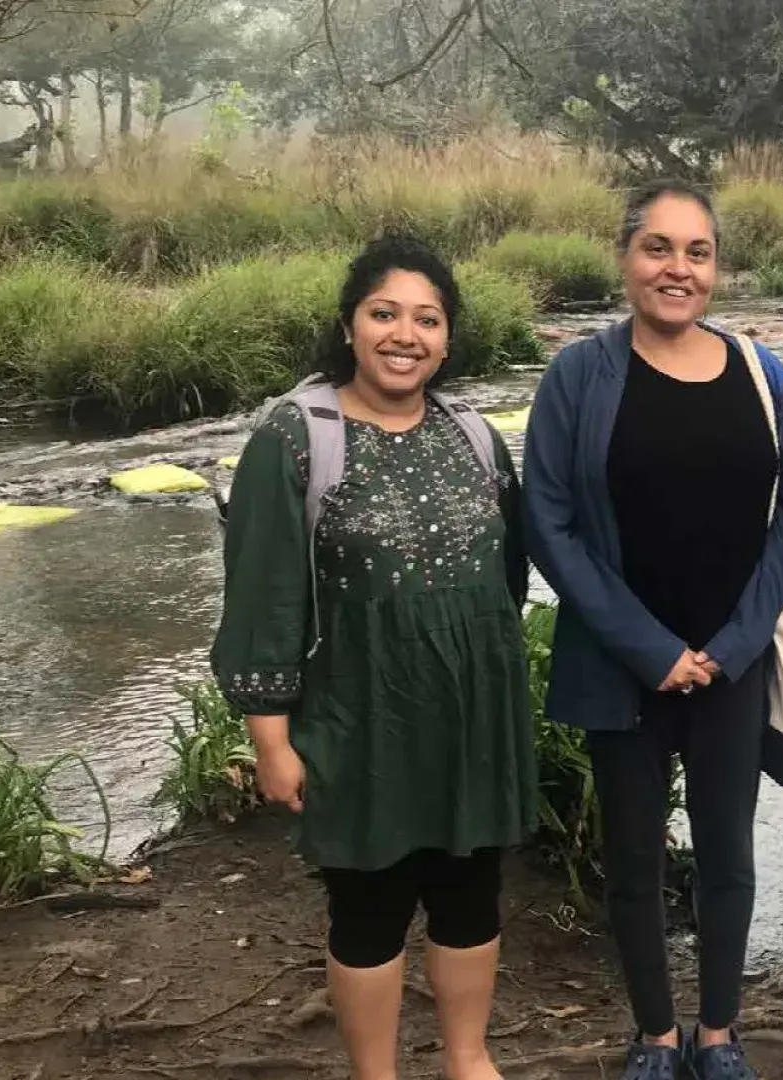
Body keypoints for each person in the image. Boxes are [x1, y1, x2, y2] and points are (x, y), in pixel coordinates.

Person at [212, 235, 535, 1080]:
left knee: (471, 895)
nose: (406, 334)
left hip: (470, 714)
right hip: (360, 717)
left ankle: (468, 1059)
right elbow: (262, 596)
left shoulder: (473, 435)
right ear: (349, 325)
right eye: (384, 313)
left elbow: (508, 574)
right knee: (370, 906)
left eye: (427, 319)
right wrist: (271, 739)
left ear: (448, 337)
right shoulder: (294, 438)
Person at [522, 179, 783, 1080]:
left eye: (696, 252)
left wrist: (735, 643)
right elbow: (549, 520)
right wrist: (651, 650)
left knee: (730, 853)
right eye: (658, 249)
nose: (677, 269)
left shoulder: (765, 376)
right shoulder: (580, 373)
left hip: (733, 663)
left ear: (716, 267)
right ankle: (655, 1034)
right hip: (625, 669)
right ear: (626, 257)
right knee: (635, 861)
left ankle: (720, 1030)